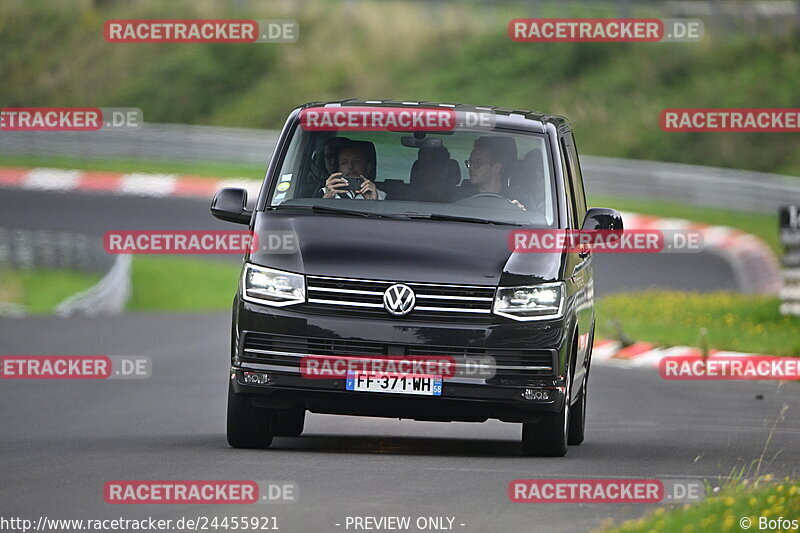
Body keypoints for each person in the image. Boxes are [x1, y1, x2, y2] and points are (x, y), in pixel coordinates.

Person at [450, 136, 529, 210]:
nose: (471, 167)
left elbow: (533, 222)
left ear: (496, 167)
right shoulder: (460, 198)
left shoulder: (521, 197)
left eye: (478, 163)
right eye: (470, 162)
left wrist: (521, 213)